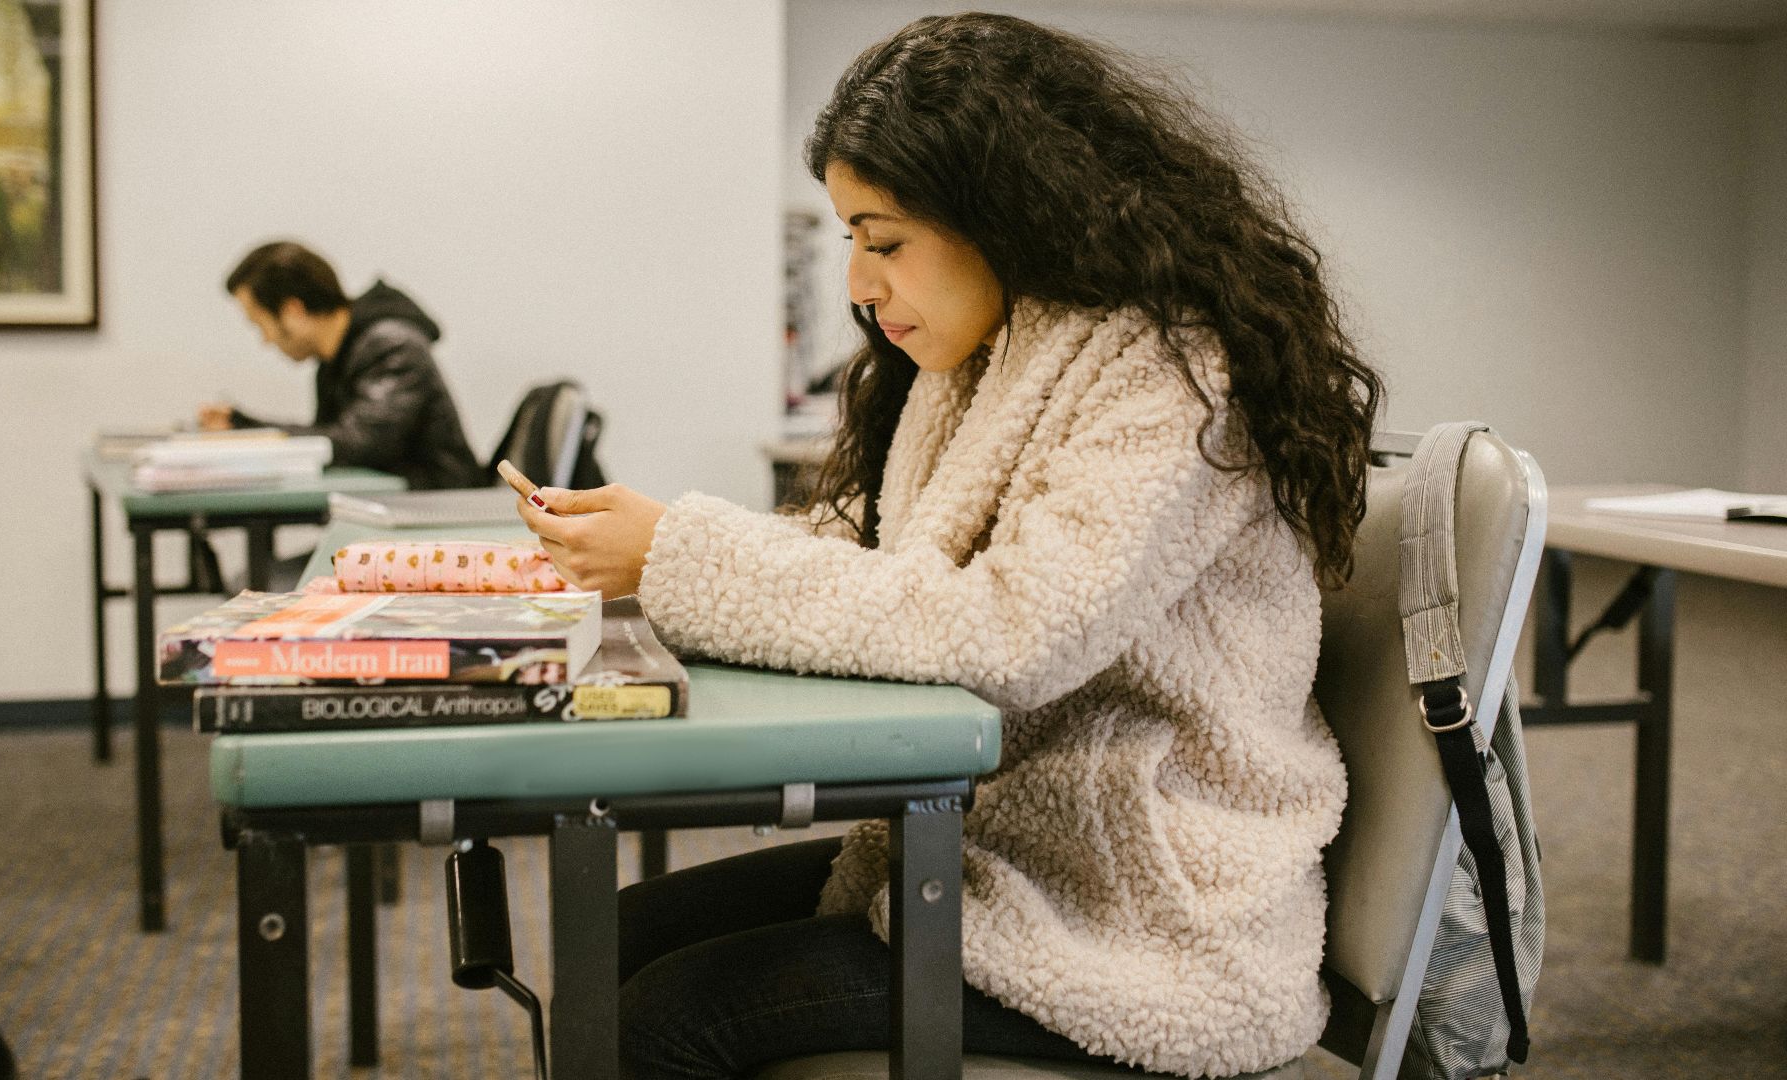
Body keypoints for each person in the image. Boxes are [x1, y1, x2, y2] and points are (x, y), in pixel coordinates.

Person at [518, 13, 1383, 1079]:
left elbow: (1020, 628)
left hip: (1146, 911)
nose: (858, 286)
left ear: (1010, 213)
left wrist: (682, 558)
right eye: (851, 243)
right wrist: (644, 559)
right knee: (618, 936)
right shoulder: (980, 363)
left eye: (884, 242)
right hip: (1011, 851)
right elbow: (880, 551)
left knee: (661, 1017)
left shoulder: (1172, 367)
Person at [204, 240, 480, 490]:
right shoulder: (336, 359)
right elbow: (334, 439)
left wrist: (250, 431)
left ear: (292, 312)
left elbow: (357, 443)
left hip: (438, 515)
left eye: (260, 325)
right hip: (393, 512)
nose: (265, 340)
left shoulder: (392, 345)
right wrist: (244, 425)